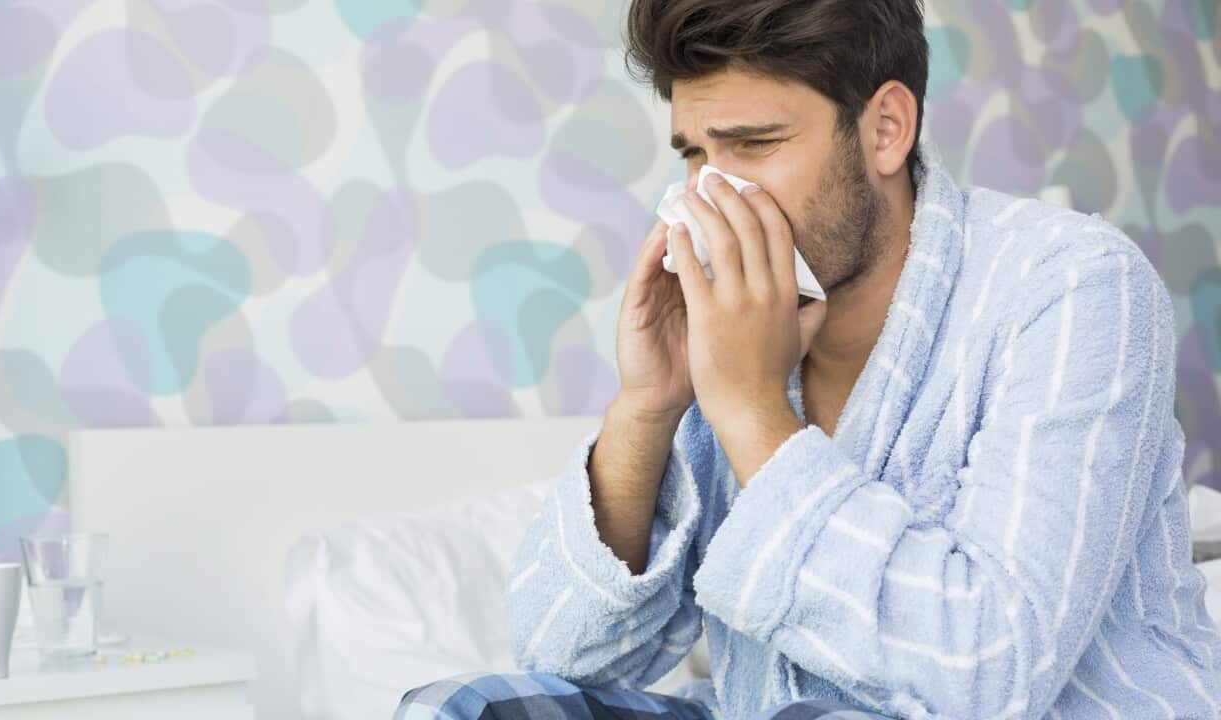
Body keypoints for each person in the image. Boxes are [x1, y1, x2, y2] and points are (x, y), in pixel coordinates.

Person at [396, 0, 1221, 718]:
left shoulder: (1073, 285)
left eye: (753, 144)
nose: (712, 197)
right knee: (462, 709)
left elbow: (987, 674)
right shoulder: (728, 332)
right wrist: (646, 409)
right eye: (692, 154)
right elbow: (565, 658)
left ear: (886, 130)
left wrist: (755, 411)